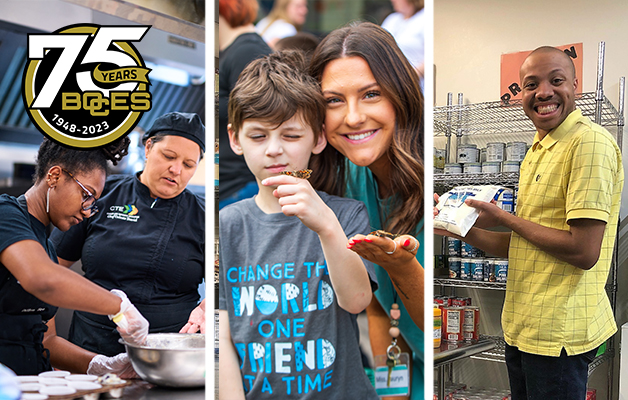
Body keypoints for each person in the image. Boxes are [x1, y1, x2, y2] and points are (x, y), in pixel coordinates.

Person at [434, 46, 624, 400]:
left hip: (558, 334)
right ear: (520, 93)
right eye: (531, 84)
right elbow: (522, 244)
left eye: (556, 81)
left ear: (575, 85)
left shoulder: (589, 144)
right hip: (524, 326)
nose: (543, 93)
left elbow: (583, 251)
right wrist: (455, 227)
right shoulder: (539, 149)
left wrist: (505, 218)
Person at [219, 50, 379, 399]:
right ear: (235, 139)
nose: (274, 150)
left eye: (291, 136)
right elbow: (223, 330)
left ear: (318, 138)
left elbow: (356, 300)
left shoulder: (347, 214)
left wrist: (326, 225)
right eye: (258, 137)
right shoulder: (227, 223)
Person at [309, 21, 425, 400]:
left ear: (401, 95)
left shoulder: (433, 180)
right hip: (405, 369)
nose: (354, 117)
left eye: (371, 94)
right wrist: (392, 392)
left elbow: (440, 323)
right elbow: (378, 309)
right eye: (334, 100)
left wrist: (402, 265)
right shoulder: (347, 177)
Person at [51, 112, 205, 357]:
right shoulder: (101, 195)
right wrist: (50, 346)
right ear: (148, 147)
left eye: (188, 165)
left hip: (169, 353)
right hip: (91, 346)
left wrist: (208, 308)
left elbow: (228, 284)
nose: (176, 170)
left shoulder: (204, 217)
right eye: (168, 156)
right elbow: (49, 268)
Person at [0, 137, 149, 376]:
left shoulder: (45, 249)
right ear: (55, 176)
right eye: (86, 195)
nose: (87, 211)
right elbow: (43, 280)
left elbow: (46, 341)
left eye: (93, 202)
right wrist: (119, 306)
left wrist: (100, 364)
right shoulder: (5, 214)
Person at [219, 0, 273, 209]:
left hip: (239, 187)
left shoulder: (247, 51)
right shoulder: (233, 51)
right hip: (229, 186)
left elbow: (261, 122)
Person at [381, 0, 425, 82]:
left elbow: (432, 57)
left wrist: (409, 78)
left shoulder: (425, 18)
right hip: (390, 82)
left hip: (416, 83)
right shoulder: (392, 19)